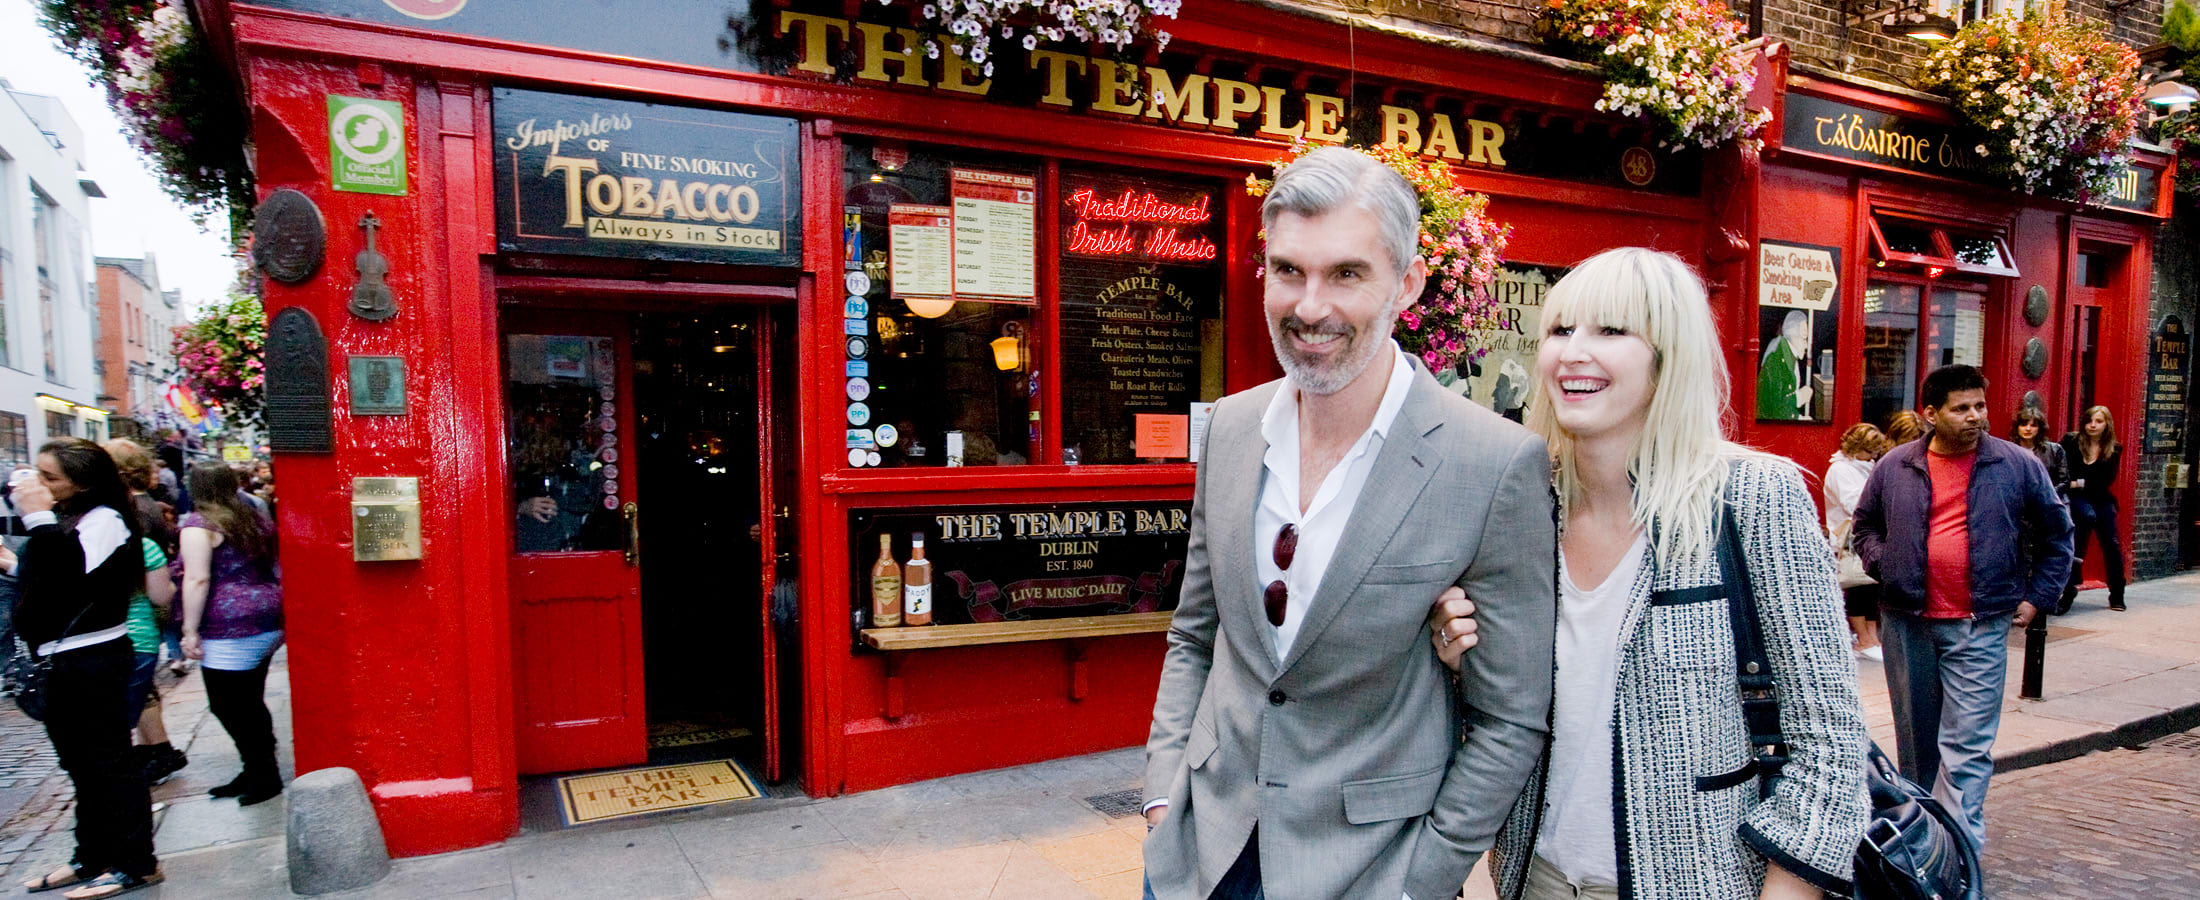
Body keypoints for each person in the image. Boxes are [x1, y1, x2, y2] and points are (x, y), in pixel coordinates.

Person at [1141, 146, 1558, 900]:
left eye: (1346, 274)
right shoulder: (1231, 428)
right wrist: (1163, 794)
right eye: (1288, 270)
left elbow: (1511, 718)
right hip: (1200, 852)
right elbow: (1195, 634)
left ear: (1408, 283)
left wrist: (1421, 879)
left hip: (1368, 871)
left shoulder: (1493, 464)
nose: (1309, 308)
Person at [1430, 249, 1867, 900]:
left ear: (1668, 357)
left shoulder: (1752, 498)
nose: (1574, 352)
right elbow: (1495, 719)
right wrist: (1458, 660)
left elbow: (1829, 743)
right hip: (1534, 877)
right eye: (1560, 330)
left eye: (1611, 330)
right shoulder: (1526, 505)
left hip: (1704, 883)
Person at [1852, 364, 2073, 847]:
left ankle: (1959, 854)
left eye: (1980, 406)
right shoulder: (1896, 465)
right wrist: (1886, 563)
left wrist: (2038, 597)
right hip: (1907, 623)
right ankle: (1922, 846)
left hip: (1980, 624)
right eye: (1962, 408)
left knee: (1967, 748)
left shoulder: (2016, 464)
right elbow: (1864, 526)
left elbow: (2059, 535)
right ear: (1931, 414)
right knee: (1917, 748)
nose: (1975, 416)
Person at [1, 440, 162, 898]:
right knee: (80, 765)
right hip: (62, 659)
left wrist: (38, 518)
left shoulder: (104, 520)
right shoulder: (67, 519)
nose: (38, 484)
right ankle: (92, 855)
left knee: (110, 763)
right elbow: (48, 581)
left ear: (83, 482)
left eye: (50, 477)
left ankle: (136, 863)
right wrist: (15, 562)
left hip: (93, 659)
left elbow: (68, 577)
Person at [178, 463, 285, 806]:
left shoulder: (199, 525)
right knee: (249, 700)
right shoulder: (252, 518)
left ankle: (263, 775)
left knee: (228, 706)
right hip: (268, 617)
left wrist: (189, 630)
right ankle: (255, 770)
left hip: (229, 626)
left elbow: (197, 579)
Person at [98, 441, 187, 785]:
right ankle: (156, 749)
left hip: (139, 611)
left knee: (134, 693)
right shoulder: (147, 505)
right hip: (147, 607)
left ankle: (156, 751)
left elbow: (143, 564)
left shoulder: (129, 510)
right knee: (143, 687)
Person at [1827, 423, 1892, 662]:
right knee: (1857, 587)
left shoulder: (1865, 467)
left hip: (1866, 534)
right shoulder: (1840, 469)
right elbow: (1852, 503)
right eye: (1870, 450)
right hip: (1849, 538)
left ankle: (1872, 637)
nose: (1873, 456)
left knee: (1871, 586)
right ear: (1857, 447)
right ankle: (1863, 638)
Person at [2060, 405, 2125, 611]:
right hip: (2075, 498)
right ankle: (2069, 590)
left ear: (2107, 425)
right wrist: (2076, 483)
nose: (2093, 425)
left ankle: (2117, 594)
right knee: (2077, 541)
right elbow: (2062, 472)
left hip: (2101, 499)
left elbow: (2105, 481)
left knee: (2112, 544)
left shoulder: (2114, 449)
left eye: (2098, 421)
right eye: (2089, 421)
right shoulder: (2071, 442)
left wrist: (2077, 482)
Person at [1755, 309, 1813, 420]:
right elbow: (1775, 406)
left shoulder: (1790, 357)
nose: (1806, 346)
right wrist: (1799, 398)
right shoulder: (1777, 360)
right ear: (1794, 335)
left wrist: (1798, 417)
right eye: (1804, 339)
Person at [2010, 408, 2067, 499]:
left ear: (2040, 428)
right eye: (2023, 425)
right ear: (2017, 427)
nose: (2028, 429)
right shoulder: (2009, 451)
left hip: (2049, 500)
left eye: (2033, 426)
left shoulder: (2055, 450)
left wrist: (2046, 496)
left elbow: (2063, 482)